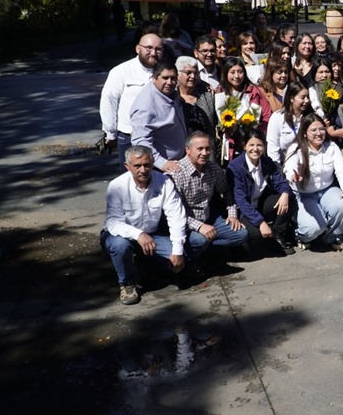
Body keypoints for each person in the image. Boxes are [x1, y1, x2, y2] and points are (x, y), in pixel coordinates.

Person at [101, 146, 206, 305]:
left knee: (182, 255)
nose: (143, 170)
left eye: (147, 165)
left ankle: (143, 264)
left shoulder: (164, 182)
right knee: (120, 246)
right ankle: (127, 283)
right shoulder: (117, 186)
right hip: (121, 235)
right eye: (137, 166)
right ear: (127, 166)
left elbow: (176, 215)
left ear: (152, 164)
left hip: (152, 234)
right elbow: (113, 222)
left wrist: (177, 251)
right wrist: (138, 235)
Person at [169, 132, 249, 260]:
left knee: (241, 234)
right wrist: (199, 226)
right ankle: (193, 258)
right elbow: (175, 213)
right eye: (200, 149)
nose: (205, 153)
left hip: (209, 217)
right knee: (200, 241)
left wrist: (232, 214)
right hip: (186, 223)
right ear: (188, 150)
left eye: (207, 149)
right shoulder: (177, 174)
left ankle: (207, 253)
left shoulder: (213, 168)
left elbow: (227, 191)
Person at [283, 114, 343, 251]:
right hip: (304, 195)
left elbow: (342, 170)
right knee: (314, 228)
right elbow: (290, 166)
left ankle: (333, 236)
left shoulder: (331, 146)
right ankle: (300, 235)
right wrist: (293, 174)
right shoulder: (296, 148)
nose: (319, 133)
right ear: (304, 133)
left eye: (322, 129)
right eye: (313, 130)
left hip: (327, 189)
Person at [226, 129, 299, 255]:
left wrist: (285, 193)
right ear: (244, 146)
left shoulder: (267, 162)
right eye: (251, 145)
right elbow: (241, 200)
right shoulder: (235, 167)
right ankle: (256, 240)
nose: (255, 149)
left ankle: (277, 234)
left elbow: (280, 181)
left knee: (290, 199)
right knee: (256, 233)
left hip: (260, 203)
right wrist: (260, 222)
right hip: (244, 210)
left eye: (259, 145)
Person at [100, 32, 165, 161]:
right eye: (149, 48)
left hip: (161, 137)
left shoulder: (167, 72)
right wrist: (110, 133)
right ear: (137, 49)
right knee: (133, 179)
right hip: (130, 138)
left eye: (158, 49)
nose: (153, 53)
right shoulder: (121, 71)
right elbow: (109, 101)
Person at [131, 62, 189, 173]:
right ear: (154, 78)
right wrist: (161, 163)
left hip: (178, 161)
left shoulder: (171, 93)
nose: (169, 82)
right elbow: (140, 140)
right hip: (160, 169)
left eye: (173, 78)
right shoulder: (146, 105)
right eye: (165, 78)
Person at [267, 81, 312, 165]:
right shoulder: (277, 118)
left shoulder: (310, 117)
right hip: (284, 166)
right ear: (291, 98)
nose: (306, 101)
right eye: (302, 97)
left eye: (308, 97)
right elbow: (273, 149)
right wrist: (278, 173)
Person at [176, 56, 216, 138]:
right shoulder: (173, 97)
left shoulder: (207, 95)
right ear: (178, 74)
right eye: (188, 73)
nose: (193, 76)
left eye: (196, 73)